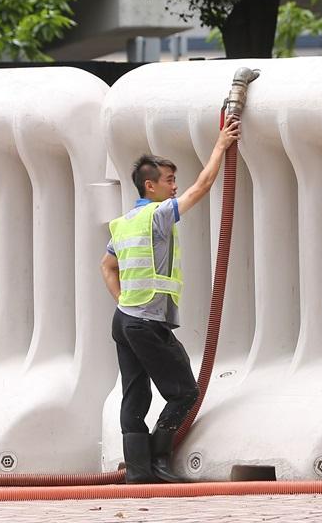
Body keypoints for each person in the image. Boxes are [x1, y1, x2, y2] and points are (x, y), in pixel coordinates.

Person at [102, 117, 241, 484]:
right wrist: (220, 145)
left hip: (125, 320)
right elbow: (202, 187)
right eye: (169, 180)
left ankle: (138, 473)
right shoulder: (158, 215)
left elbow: (106, 266)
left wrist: (123, 301)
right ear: (150, 185)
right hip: (146, 322)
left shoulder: (125, 222)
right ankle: (160, 462)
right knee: (185, 393)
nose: (175, 186)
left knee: (135, 395)